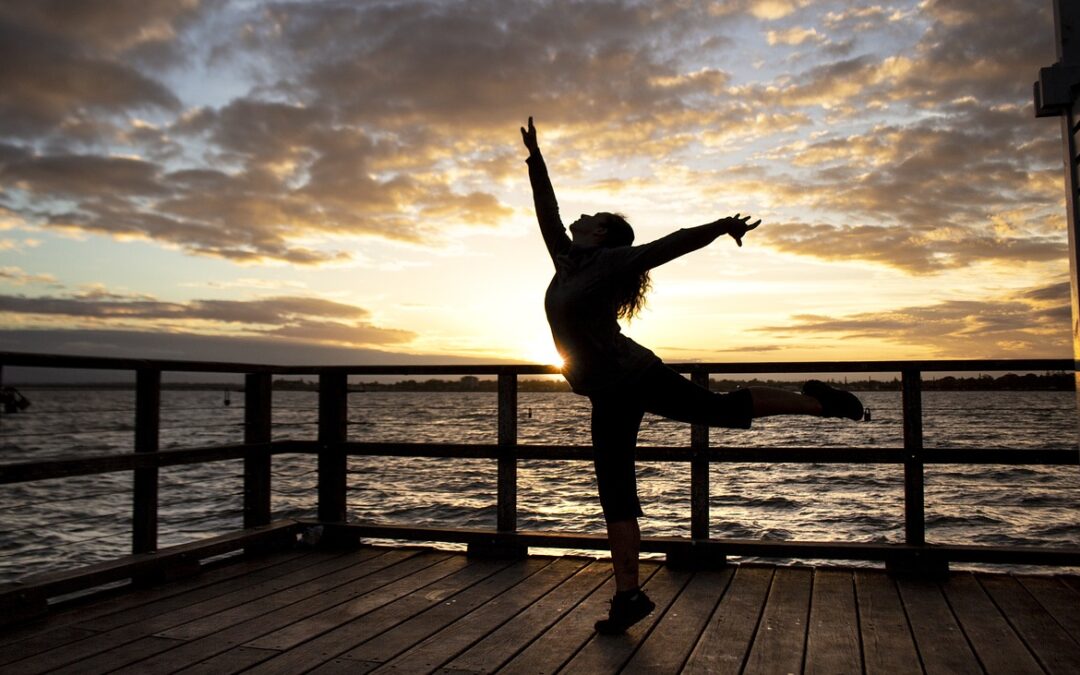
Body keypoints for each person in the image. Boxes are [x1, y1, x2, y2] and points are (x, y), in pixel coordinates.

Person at [521, 117, 864, 635]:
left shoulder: (614, 260)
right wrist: (536, 157)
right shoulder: (567, 259)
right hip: (604, 392)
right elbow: (548, 209)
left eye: (592, 215)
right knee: (614, 492)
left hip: (633, 376)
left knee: (721, 410)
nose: (582, 215)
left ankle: (820, 401)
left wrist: (721, 227)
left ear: (603, 234)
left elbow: (671, 245)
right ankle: (628, 597)